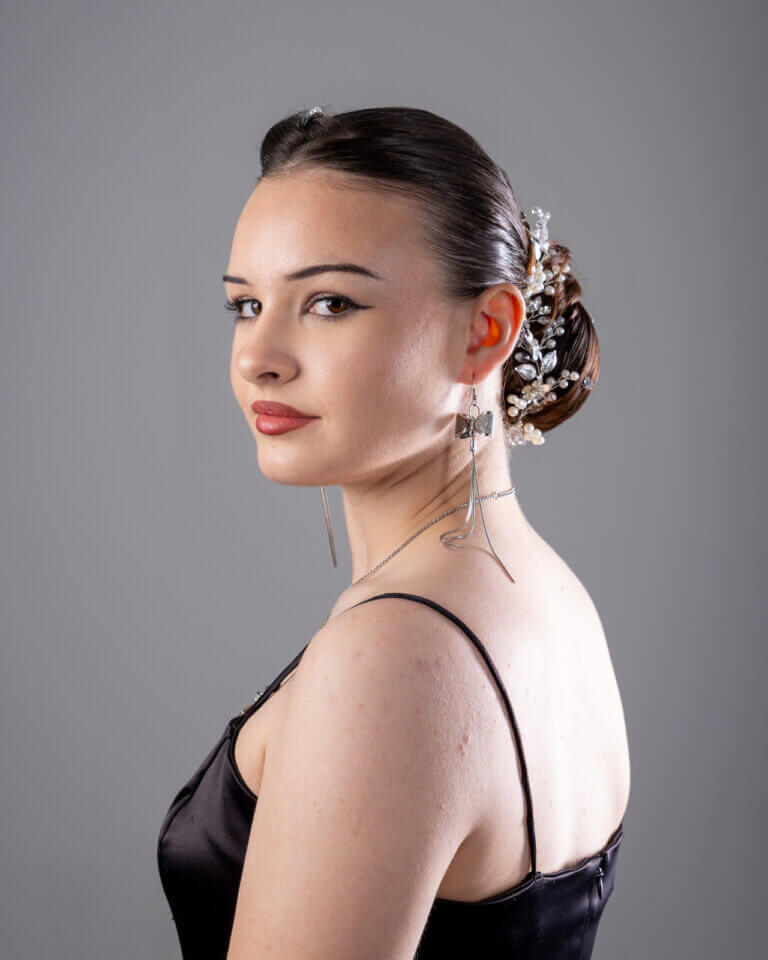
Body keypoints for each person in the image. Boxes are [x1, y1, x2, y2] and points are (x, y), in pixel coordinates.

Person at [157, 105, 630, 960]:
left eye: (329, 303)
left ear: (484, 331)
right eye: (247, 304)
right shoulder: (550, 595)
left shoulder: (394, 653)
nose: (257, 355)